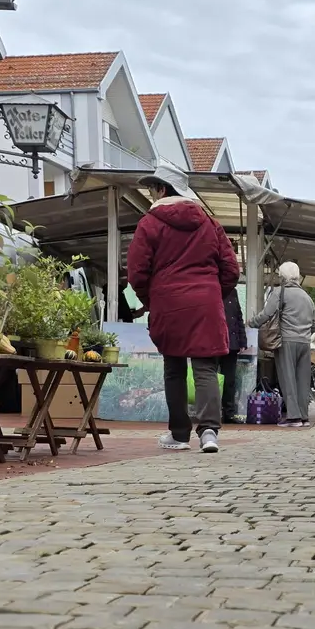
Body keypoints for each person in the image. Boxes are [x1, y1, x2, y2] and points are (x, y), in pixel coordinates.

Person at [127, 163, 237, 453]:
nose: (151, 196)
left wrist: (152, 300)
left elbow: (137, 272)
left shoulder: (149, 224)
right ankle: (210, 432)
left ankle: (178, 434)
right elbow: (231, 270)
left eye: (153, 189)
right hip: (206, 304)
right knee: (205, 368)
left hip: (168, 302)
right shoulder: (210, 224)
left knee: (174, 367)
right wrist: (212, 292)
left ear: (162, 189)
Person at [249, 261, 315, 427]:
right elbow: (314, 323)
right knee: (302, 380)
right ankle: (304, 416)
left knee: (287, 378)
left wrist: (251, 323)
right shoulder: (307, 297)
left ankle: (293, 417)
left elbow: (266, 314)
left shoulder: (280, 292)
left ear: (283, 277)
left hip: (286, 340)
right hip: (304, 342)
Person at [219, 285, 246, 424]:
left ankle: (228, 413)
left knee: (229, 380)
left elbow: (238, 317)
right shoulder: (211, 287)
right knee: (210, 379)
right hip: (213, 342)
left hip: (231, 344)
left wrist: (242, 340)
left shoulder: (232, 292)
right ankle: (210, 412)